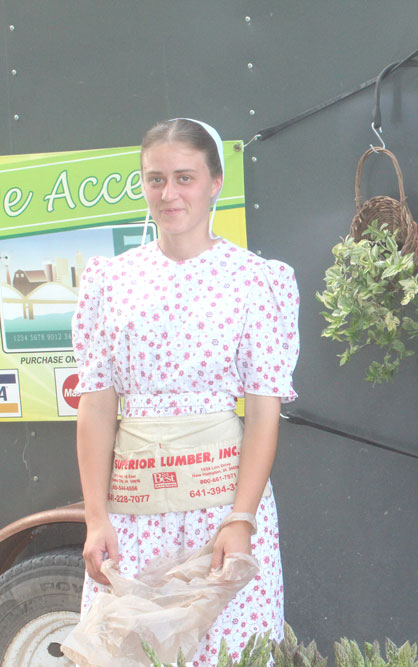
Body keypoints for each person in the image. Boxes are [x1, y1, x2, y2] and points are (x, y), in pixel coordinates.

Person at [73, 118, 300, 664]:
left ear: (216, 182)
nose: (168, 193)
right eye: (155, 179)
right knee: (132, 649)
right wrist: (96, 517)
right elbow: (98, 404)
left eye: (184, 177)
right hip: (133, 516)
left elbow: (264, 413)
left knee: (229, 648)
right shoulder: (110, 281)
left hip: (220, 511)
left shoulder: (255, 280)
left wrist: (241, 519)